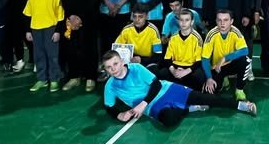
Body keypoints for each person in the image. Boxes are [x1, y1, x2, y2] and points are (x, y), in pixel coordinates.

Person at [102, 51, 256, 130]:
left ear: (122, 61)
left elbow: (156, 85)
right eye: (109, 67)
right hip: (154, 106)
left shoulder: (135, 68)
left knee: (207, 98)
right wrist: (119, 114)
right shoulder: (110, 86)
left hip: (166, 90)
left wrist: (142, 104)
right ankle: (189, 109)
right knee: (169, 121)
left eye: (115, 64)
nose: (113, 69)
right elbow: (109, 106)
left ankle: (241, 105)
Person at [60, 0, 101, 92]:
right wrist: (71, 17)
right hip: (70, 20)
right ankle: (74, 76)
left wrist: (80, 18)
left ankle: (90, 77)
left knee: (89, 47)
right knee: (71, 47)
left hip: (88, 18)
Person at [24, 0, 65, 92]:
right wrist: (28, 30)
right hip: (35, 29)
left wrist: (57, 31)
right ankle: (42, 79)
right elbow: (28, 14)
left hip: (51, 29)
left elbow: (61, 17)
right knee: (39, 55)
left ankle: (54, 79)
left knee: (53, 56)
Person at [202, 10, 252, 101]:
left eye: (225, 20)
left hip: (231, 64)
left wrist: (225, 58)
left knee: (245, 60)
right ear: (216, 21)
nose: (222, 23)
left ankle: (239, 90)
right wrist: (209, 78)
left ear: (231, 21)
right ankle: (223, 79)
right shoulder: (211, 34)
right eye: (219, 20)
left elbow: (245, 50)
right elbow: (205, 59)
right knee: (210, 92)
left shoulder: (235, 32)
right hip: (217, 67)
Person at [156, 9, 205, 90]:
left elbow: (199, 61)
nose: (183, 23)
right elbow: (167, 58)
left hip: (190, 68)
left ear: (192, 22)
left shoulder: (197, 38)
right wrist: (173, 71)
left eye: (187, 20)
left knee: (199, 76)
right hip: (176, 66)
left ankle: (193, 94)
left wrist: (185, 71)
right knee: (162, 73)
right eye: (181, 20)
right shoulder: (173, 37)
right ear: (179, 22)